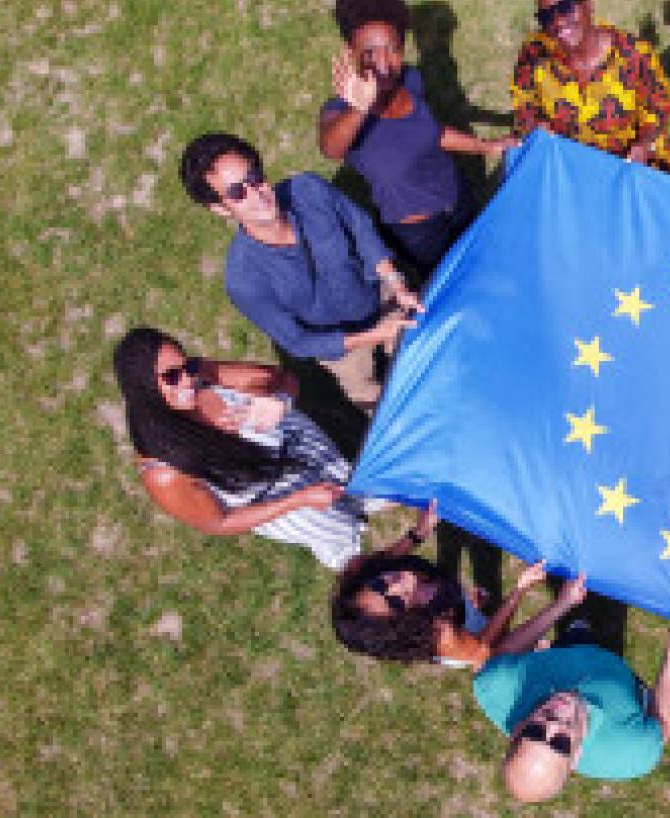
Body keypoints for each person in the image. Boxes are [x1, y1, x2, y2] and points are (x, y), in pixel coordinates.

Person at [179, 132, 421, 411]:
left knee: (425, 354)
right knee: (373, 401)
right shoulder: (243, 280)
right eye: (237, 192)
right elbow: (297, 341)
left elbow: (359, 227)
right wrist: (375, 336)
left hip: (380, 295)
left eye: (255, 177)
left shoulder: (309, 190)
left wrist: (395, 281)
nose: (257, 193)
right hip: (339, 347)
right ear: (220, 209)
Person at [112, 327, 370, 570]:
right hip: (294, 506)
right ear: (144, 387)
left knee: (375, 489)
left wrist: (280, 401)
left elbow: (283, 379)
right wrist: (299, 500)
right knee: (348, 547)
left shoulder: (201, 374)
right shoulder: (163, 472)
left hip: (315, 452)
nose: (188, 379)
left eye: (187, 365)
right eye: (172, 376)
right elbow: (220, 522)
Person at [319, 0, 517, 278]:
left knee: (488, 258)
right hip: (421, 235)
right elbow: (330, 148)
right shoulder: (341, 113)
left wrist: (488, 146)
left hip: (458, 198)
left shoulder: (410, 80)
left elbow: (433, 132)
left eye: (393, 49)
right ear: (351, 53)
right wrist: (359, 108)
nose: (384, 63)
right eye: (370, 53)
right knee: (452, 281)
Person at [472, 576, 670, 802]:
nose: (554, 724)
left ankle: (579, 627)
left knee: (578, 632)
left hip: (570, 654)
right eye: (560, 743)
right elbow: (662, 724)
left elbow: (505, 652)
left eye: (535, 732)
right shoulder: (629, 751)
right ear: (577, 756)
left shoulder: (495, 686)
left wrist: (562, 604)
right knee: (611, 652)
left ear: (518, 729)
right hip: (621, 685)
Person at [331, 506, 550, 667]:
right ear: (403, 620)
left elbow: (387, 558)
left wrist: (420, 531)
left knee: (471, 608)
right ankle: (531, 651)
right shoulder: (438, 634)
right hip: (470, 640)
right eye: (395, 602)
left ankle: (471, 606)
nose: (395, 585)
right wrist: (520, 589)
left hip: (452, 604)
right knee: (497, 643)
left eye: (379, 584)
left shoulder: (365, 572)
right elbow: (480, 652)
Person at [510, 0, 670, 167]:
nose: (558, 22)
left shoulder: (633, 54)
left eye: (565, 7)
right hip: (568, 161)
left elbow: (658, 108)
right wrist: (536, 126)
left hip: (627, 162)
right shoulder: (534, 55)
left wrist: (643, 144)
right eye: (546, 16)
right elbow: (525, 106)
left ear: (588, 5)